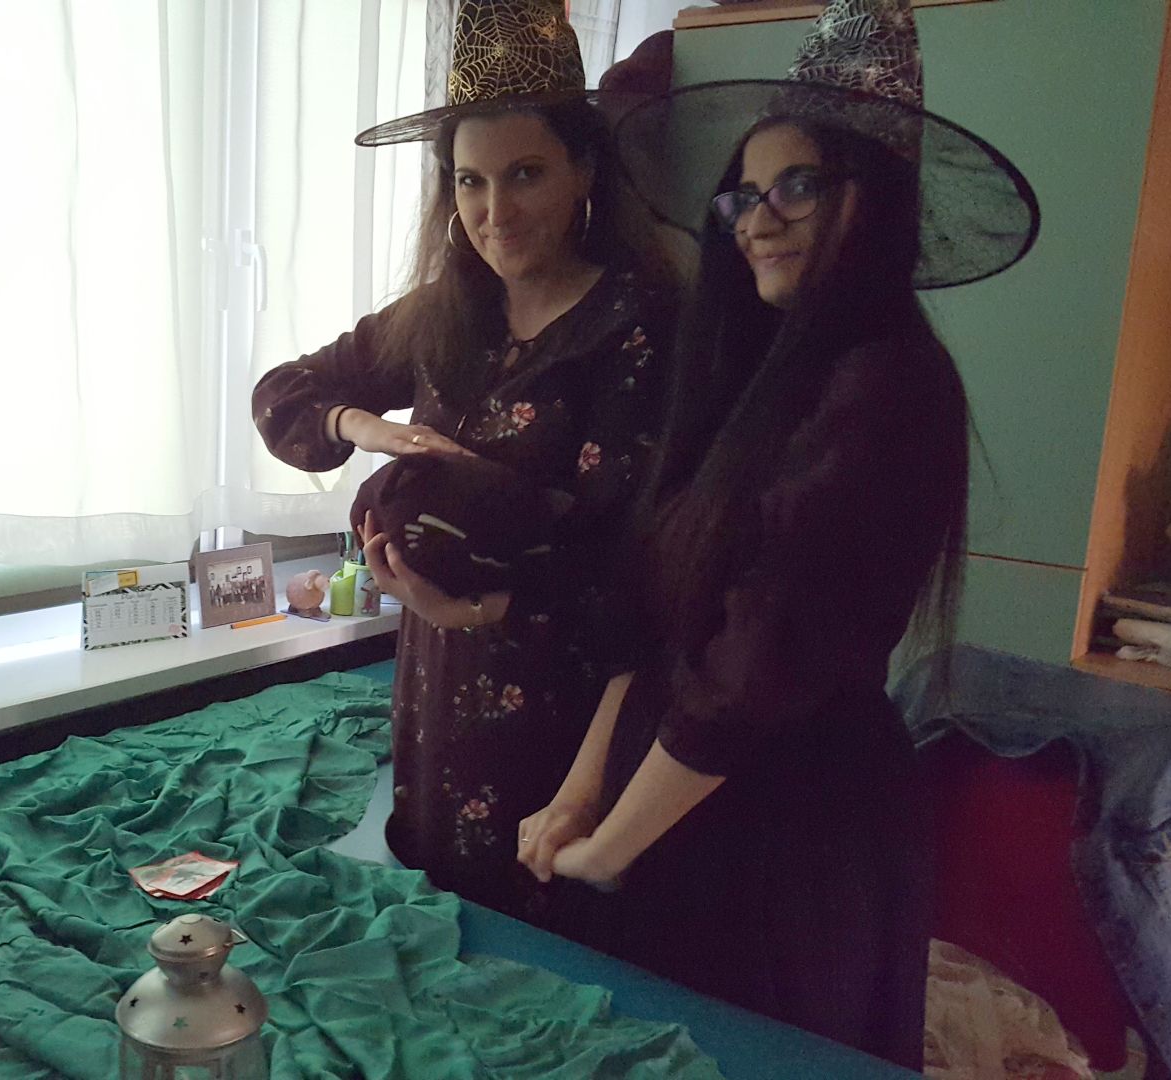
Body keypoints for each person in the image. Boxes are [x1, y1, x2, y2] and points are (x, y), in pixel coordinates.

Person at [515, 0, 1040, 1067]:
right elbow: (657, 620)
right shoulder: (750, 374)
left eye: (797, 185)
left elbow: (754, 662)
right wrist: (579, 794)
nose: (758, 218)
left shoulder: (889, 384)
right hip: (680, 809)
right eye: (745, 195)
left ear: (873, 197)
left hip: (792, 839)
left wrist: (608, 851)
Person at [252, 0, 679, 922]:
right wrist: (370, 428)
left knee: (545, 939)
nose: (494, 212)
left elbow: (638, 572)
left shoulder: (635, 329)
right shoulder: (450, 312)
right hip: (432, 692)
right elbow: (283, 394)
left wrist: (485, 601)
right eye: (470, 181)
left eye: (525, 174)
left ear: (584, 172)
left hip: (566, 713)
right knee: (436, 915)